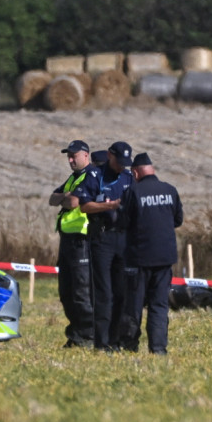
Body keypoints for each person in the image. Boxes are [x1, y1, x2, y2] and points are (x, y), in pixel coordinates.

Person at [121, 152, 183, 355]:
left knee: (134, 305)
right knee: (159, 305)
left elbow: (123, 222)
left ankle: (129, 346)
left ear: (135, 172)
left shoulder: (133, 191)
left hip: (139, 259)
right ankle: (158, 349)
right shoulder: (170, 190)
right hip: (165, 259)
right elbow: (177, 220)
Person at [47, 139, 104, 349]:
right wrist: (66, 196)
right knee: (66, 291)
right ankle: (76, 333)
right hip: (67, 240)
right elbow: (53, 199)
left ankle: (88, 335)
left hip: (82, 239)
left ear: (86, 155)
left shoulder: (91, 176)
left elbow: (72, 203)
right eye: (68, 156)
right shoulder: (73, 178)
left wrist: (67, 198)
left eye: (74, 156)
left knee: (82, 291)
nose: (70, 160)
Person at [88, 141, 134, 352]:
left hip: (123, 239)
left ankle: (116, 340)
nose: (121, 166)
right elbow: (83, 204)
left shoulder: (128, 178)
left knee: (121, 292)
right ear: (109, 156)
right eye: (119, 162)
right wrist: (108, 205)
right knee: (104, 293)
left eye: (125, 163)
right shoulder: (96, 176)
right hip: (102, 238)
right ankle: (102, 342)